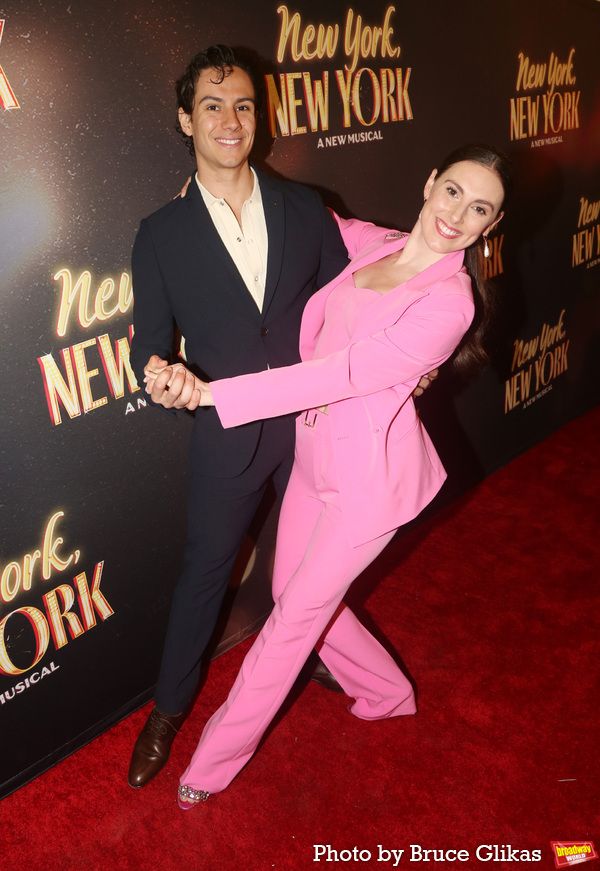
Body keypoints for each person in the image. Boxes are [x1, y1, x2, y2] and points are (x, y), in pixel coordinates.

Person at [143, 143, 510, 808]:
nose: (457, 213)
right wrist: (222, 187)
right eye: (453, 190)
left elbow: (339, 373)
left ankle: (212, 764)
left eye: (479, 208)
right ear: (431, 180)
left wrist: (213, 395)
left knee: (291, 621)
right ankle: (388, 690)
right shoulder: (380, 244)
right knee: (290, 585)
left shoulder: (450, 302)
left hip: (366, 486)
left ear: (490, 226)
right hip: (313, 458)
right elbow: (309, 216)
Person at [128, 44, 435, 789]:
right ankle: (168, 709)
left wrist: (411, 361)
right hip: (227, 432)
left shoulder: (304, 205)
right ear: (185, 119)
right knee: (205, 575)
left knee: (307, 572)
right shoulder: (160, 235)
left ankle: (324, 655)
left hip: (314, 425)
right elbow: (148, 343)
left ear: (258, 118)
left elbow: (351, 298)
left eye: (242, 105)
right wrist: (160, 374)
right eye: (211, 104)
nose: (229, 119)